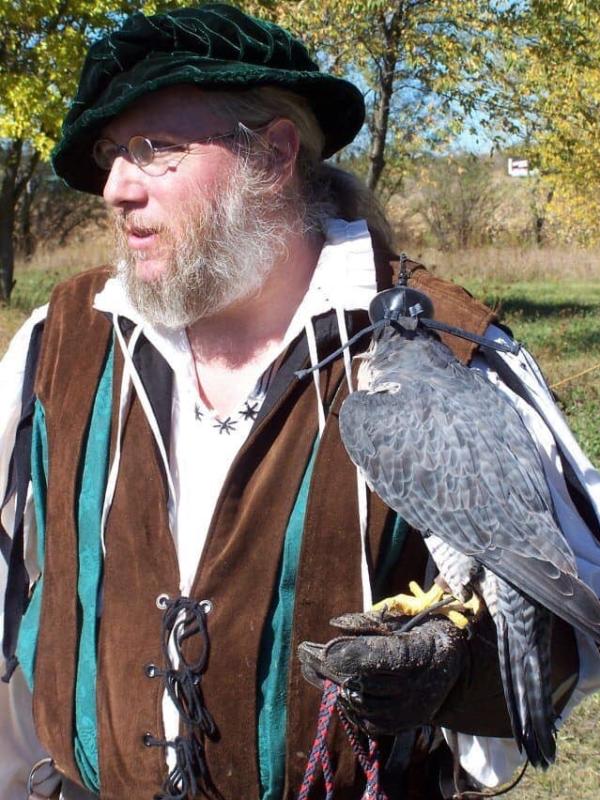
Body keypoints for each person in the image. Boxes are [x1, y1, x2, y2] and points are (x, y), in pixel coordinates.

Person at [1, 5, 599, 800]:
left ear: (275, 154)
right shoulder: (62, 341)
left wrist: (457, 674)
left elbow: (577, 612)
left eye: (154, 149)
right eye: (114, 155)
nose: (115, 187)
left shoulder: (451, 347)